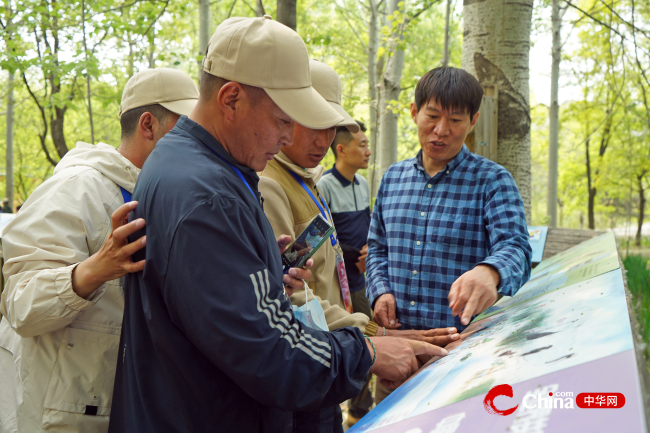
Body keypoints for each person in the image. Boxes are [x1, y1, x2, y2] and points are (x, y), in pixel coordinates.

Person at [108, 17, 446, 433]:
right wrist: (368, 352)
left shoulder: (184, 164)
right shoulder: (207, 194)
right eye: (284, 120)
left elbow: (214, 305)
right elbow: (270, 357)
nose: (288, 138)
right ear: (231, 99)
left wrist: (267, 270)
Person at [259, 59, 459, 430]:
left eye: (331, 127)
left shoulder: (306, 181)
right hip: (312, 357)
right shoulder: (271, 185)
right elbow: (290, 293)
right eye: (311, 125)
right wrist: (373, 335)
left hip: (334, 352)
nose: (324, 140)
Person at [0, 68, 200, 433]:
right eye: (185, 128)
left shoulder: (164, 197)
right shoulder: (76, 188)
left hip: (128, 410)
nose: (196, 142)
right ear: (148, 125)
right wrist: (95, 270)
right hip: (59, 419)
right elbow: (20, 304)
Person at [366, 66, 532, 403]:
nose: (441, 131)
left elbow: (516, 246)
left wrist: (491, 271)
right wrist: (380, 291)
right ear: (414, 113)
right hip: (398, 351)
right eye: (432, 116)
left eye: (456, 120)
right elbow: (378, 248)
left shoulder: (492, 181)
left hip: (461, 356)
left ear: (472, 122)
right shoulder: (393, 178)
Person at [316, 121, 374, 425]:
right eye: (361, 145)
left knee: (371, 330)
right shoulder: (323, 185)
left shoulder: (363, 184)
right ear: (341, 149)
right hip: (341, 282)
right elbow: (328, 238)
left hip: (363, 277)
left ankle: (361, 407)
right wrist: (354, 255)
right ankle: (351, 411)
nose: (367, 151)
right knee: (359, 335)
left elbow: (366, 226)